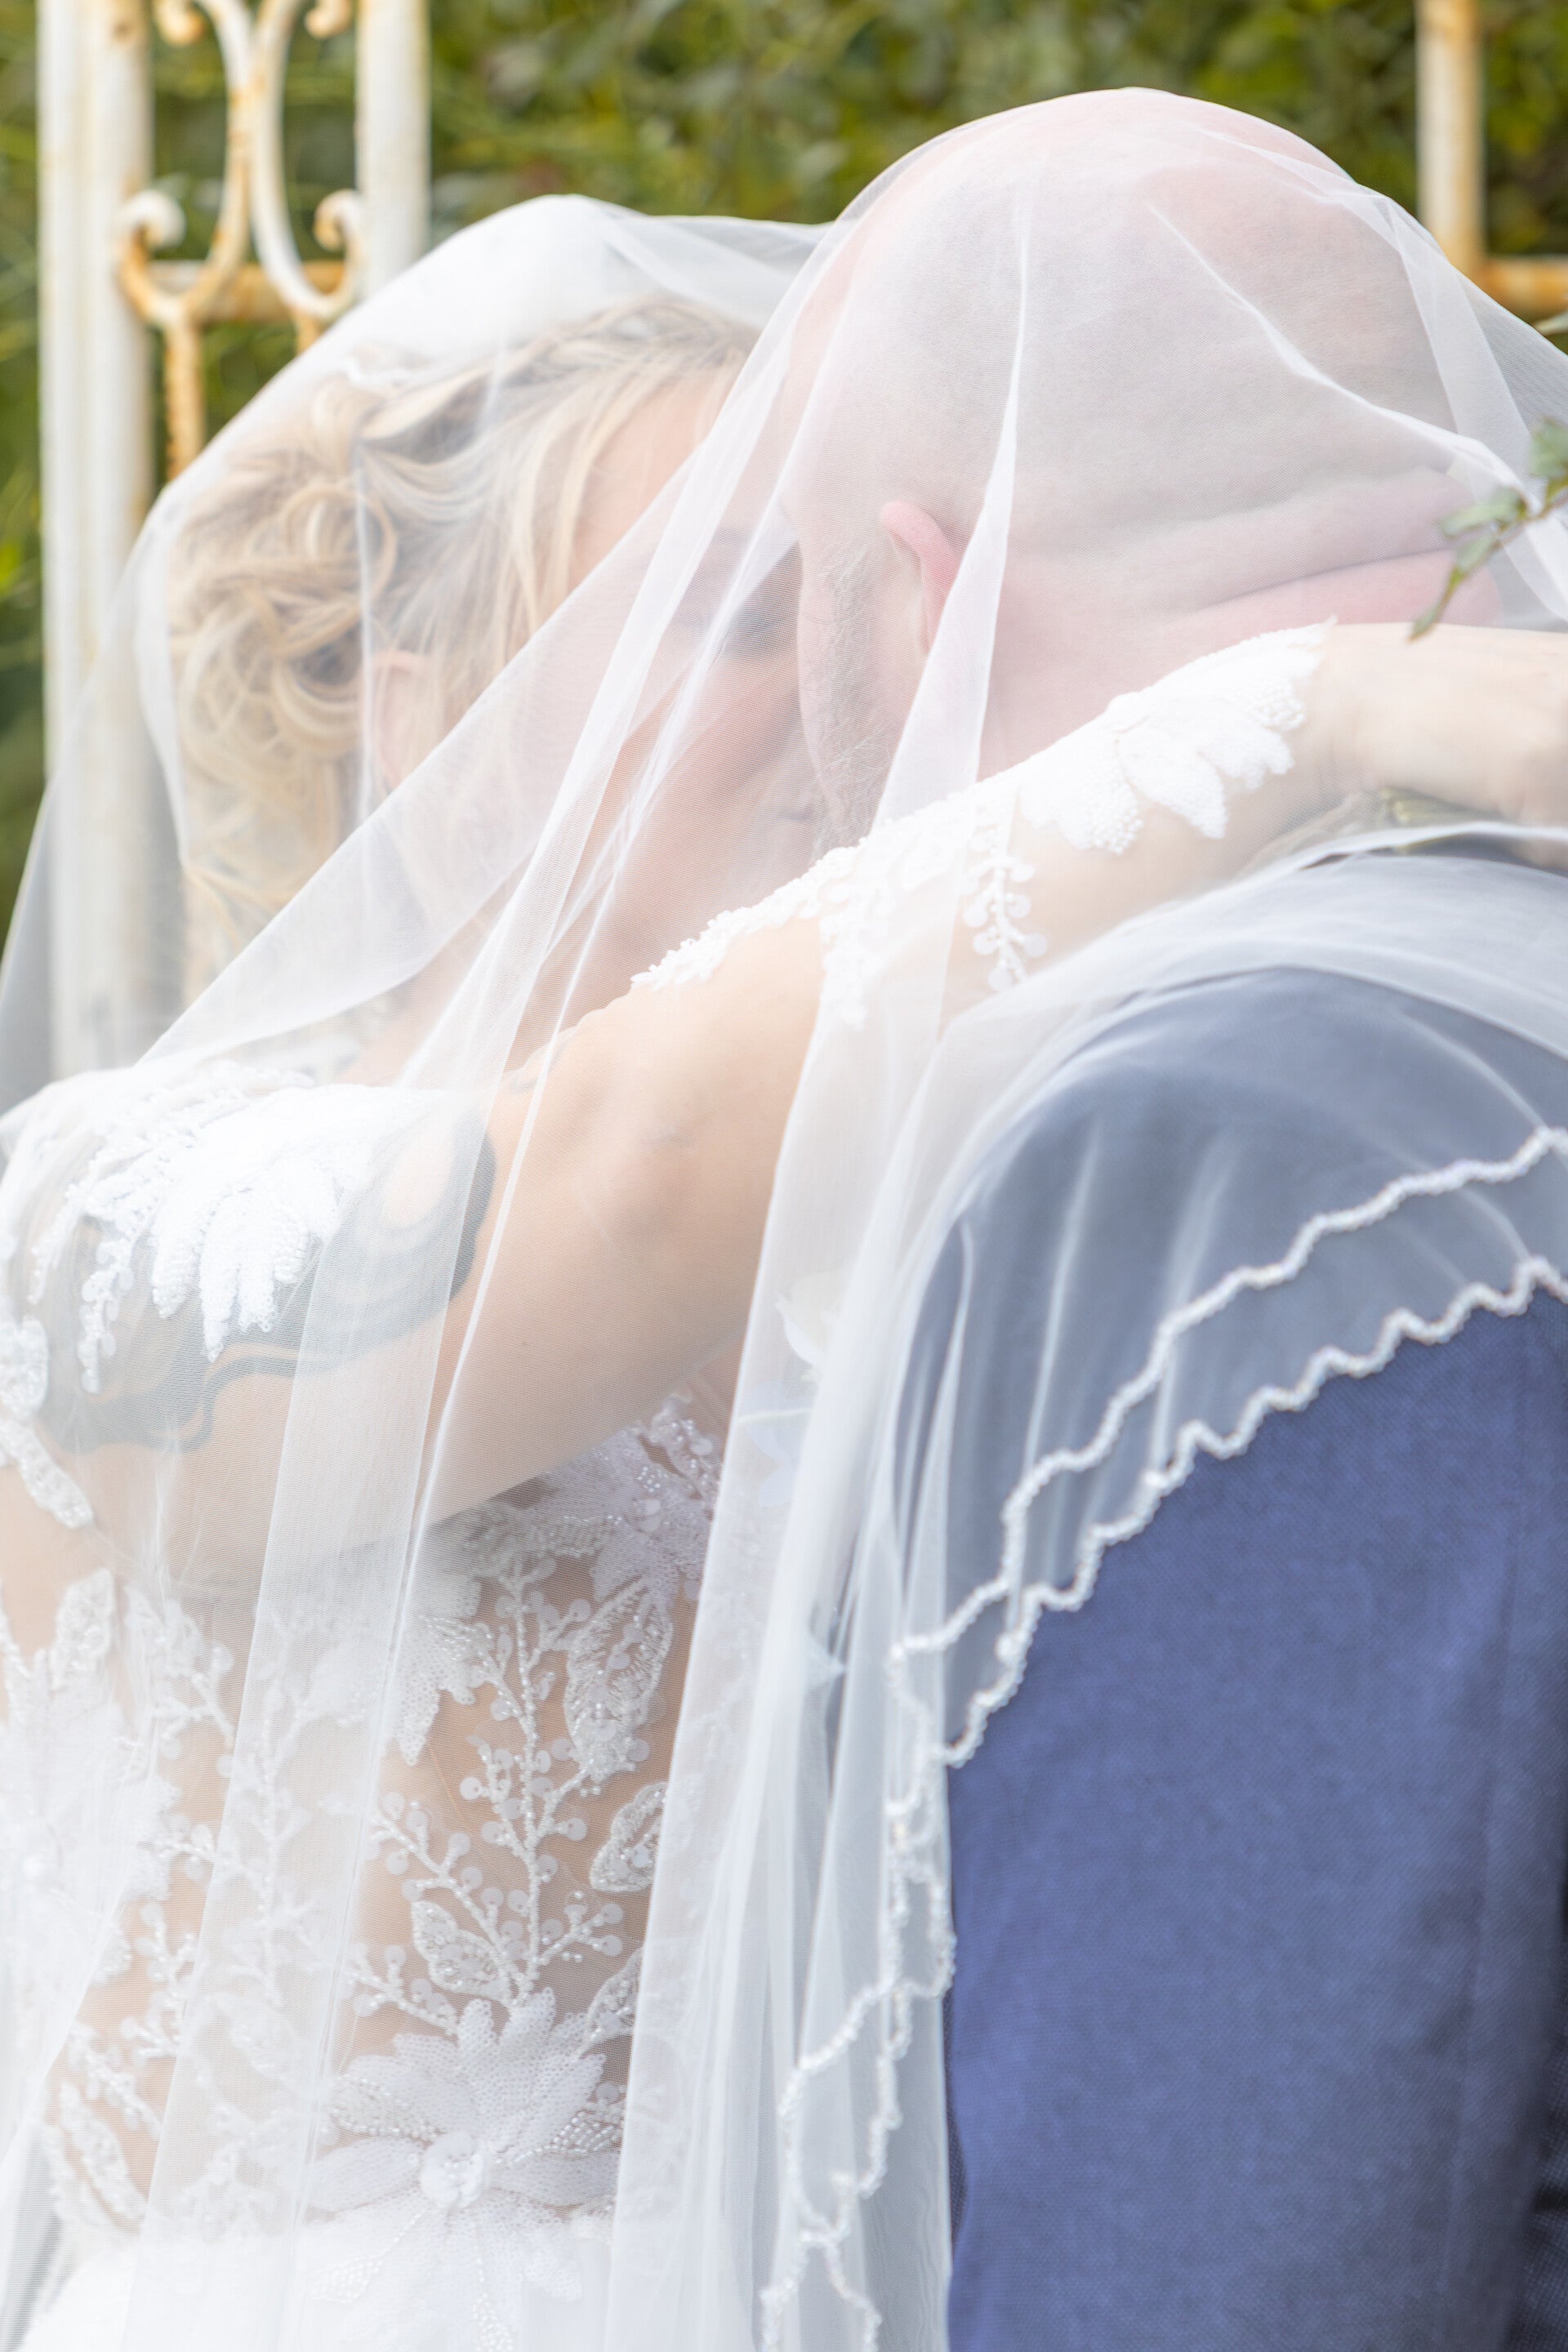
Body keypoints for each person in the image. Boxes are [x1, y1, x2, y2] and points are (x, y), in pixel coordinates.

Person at [5, 88, 1568, 2352]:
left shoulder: (970, 1228)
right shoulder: (110, 1227)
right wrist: (1305, 704)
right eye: (738, 612)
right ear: (431, 726)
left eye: (847, 588)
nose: (861, 686)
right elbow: (616, 1177)